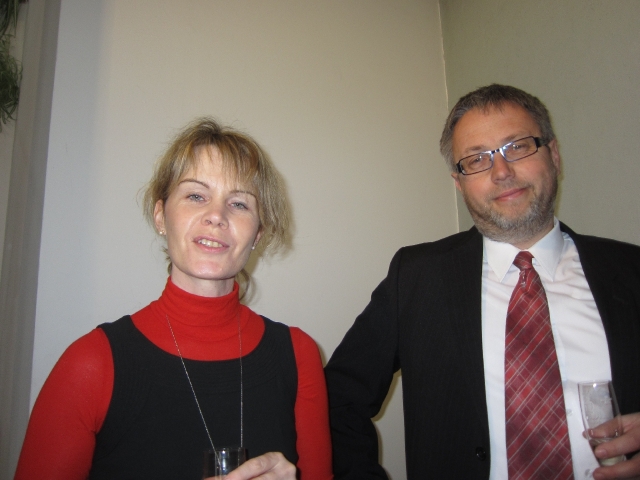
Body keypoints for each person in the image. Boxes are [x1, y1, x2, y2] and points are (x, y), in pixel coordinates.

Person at [325, 84, 640, 480]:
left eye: (518, 147)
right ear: (458, 183)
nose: (501, 172)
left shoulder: (631, 271)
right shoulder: (416, 278)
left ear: (554, 155)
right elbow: (336, 399)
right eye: (476, 160)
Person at [15, 118, 333, 480]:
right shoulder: (91, 364)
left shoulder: (299, 356)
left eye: (239, 203)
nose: (216, 216)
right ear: (161, 216)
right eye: (196, 196)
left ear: (257, 233)